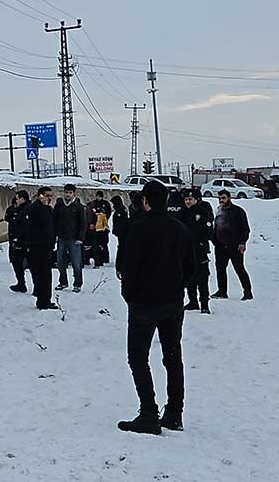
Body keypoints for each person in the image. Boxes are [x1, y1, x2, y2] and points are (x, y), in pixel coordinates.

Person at [117, 181, 196, 435]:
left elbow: (129, 268)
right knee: (173, 357)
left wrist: (130, 295)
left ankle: (149, 413)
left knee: (138, 357)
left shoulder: (138, 227)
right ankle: (174, 413)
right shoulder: (180, 228)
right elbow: (191, 267)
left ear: (145, 201)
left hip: (143, 303)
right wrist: (178, 288)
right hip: (173, 303)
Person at [212, 190, 253, 301]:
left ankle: (248, 292)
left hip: (235, 246)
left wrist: (242, 242)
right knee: (220, 269)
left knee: (239, 269)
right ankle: (222, 291)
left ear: (229, 198)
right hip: (220, 246)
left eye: (223, 198)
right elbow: (216, 227)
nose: (221, 200)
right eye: (219, 198)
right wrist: (214, 240)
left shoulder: (238, 211)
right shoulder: (219, 211)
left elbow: (245, 229)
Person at [24, 186, 58, 310]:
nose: (49, 198)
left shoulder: (49, 209)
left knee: (46, 275)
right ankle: (42, 301)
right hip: (37, 246)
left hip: (47, 246)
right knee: (41, 274)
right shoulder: (35, 208)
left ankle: (46, 299)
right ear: (40, 196)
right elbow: (35, 225)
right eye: (47, 196)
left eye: (51, 196)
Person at [181, 188, 213, 313]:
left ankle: (204, 304)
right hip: (186, 251)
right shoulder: (182, 213)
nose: (188, 202)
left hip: (200, 251)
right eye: (186, 199)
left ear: (196, 200)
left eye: (190, 199)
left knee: (202, 278)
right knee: (189, 278)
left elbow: (208, 231)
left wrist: (200, 242)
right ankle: (192, 301)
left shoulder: (203, 213)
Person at [54, 184, 87, 292]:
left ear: (74, 193)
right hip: (61, 238)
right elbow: (54, 220)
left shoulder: (79, 207)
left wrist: (81, 238)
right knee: (60, 262)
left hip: (74, 239)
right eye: (66, 192)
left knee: (76, 263)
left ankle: (77, 284)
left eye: (70, 192)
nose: (68, 194)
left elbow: (83, 223)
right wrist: (55, 235)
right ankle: (63, 282)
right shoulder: (59, 205)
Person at [5, 191, 29, 293]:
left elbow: (23, 226)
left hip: (23, 241)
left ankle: (22, 284)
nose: (16, 200)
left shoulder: (25, 210)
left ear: (22, 199)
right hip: (19, 239)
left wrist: (18, 238)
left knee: (19, 262)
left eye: (18, 198)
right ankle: (21, 283)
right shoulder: (18, 209)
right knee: (17, 262)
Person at [87, 190, 113, 268]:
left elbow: (108, 213)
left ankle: (105, 258)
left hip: (103, 227)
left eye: (99, 196)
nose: (98, 198)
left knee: (104, 243)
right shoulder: (93, 203)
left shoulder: (106, 204)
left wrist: (103, 217)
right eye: (97, 196)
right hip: (95, 227)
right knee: (95, 243)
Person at [110, 195, 131, 267]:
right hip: (121, 231)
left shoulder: (120, 209)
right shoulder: (120, 209)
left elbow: (121, 222)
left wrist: (117, 230)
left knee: (122, 246)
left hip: (122, 231)